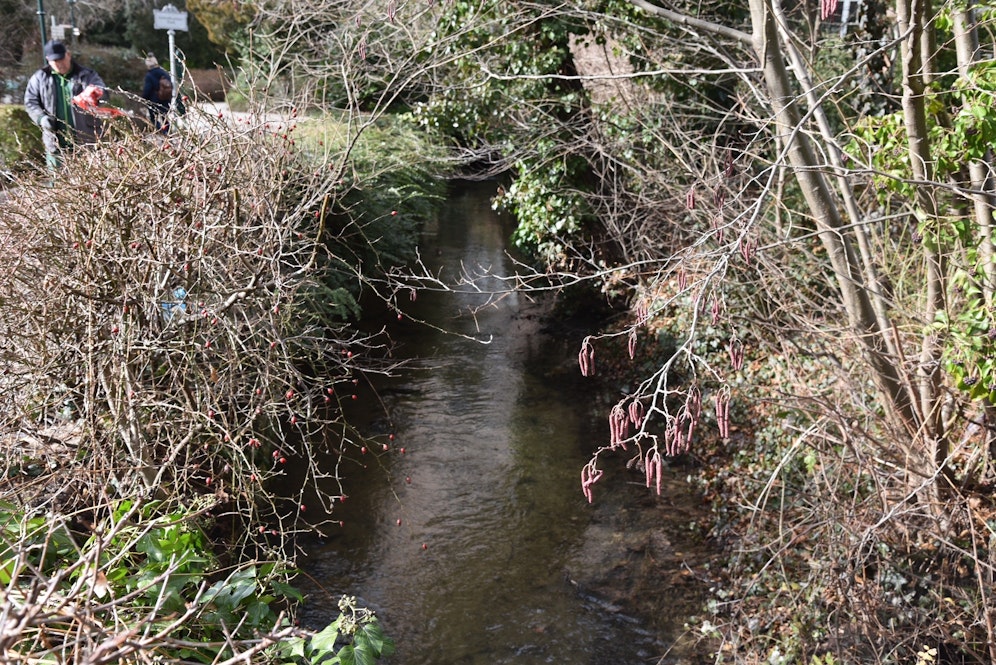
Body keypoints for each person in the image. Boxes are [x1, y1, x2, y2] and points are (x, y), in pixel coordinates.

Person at [24, 40, 108, 168]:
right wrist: (41, 118)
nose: (59, 64)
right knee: (58, 185)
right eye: (55, 61)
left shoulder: (87, 75)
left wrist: (95, 94)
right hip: (55, 144)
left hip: (87, 143)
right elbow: (30, 102)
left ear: (68, 55)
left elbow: (104, 93)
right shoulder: (39, 78)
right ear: (48, 60)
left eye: (61, 59)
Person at [141, 53, 181, 134]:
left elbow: (147, 89)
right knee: (165, 117)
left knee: (154, 118)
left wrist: (144, 98)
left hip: (154, 99)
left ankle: (161, 131)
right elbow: (171, 85)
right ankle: (167, 132)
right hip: (166, 98)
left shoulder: (149, 75)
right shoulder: (164, 73)